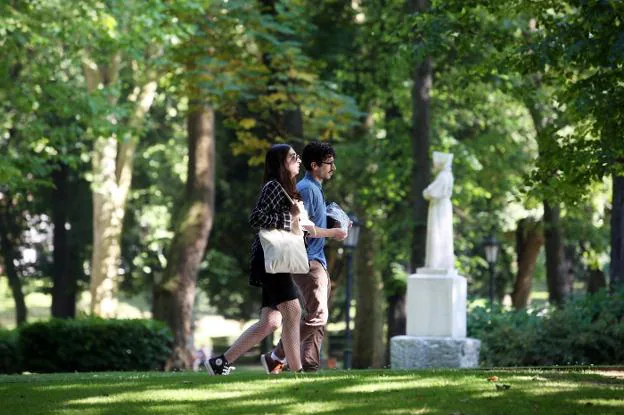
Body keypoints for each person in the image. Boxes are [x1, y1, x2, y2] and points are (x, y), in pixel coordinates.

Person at [206, 144, 304, 375]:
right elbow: (256, 217)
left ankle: (220, 363)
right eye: (293, 157)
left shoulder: (289, 189)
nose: (298, 159)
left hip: (276, 259)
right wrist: (291, 219)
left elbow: (290, 224)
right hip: (270, 259)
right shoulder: (273, 186)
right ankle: (297, 371)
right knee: (293, 311)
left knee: (270, 322)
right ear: (281, 163)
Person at [261, 141, 347, 373]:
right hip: (308, 260)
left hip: (316, 258)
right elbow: (302, 226)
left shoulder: (315, 188)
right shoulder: (308, 189)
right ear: (314, 165)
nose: (333, 168)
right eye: (329, 163)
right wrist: (333, 232)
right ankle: (278, 354)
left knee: (316, 315)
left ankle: (307, 365)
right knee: (318, 315)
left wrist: (330, 221)